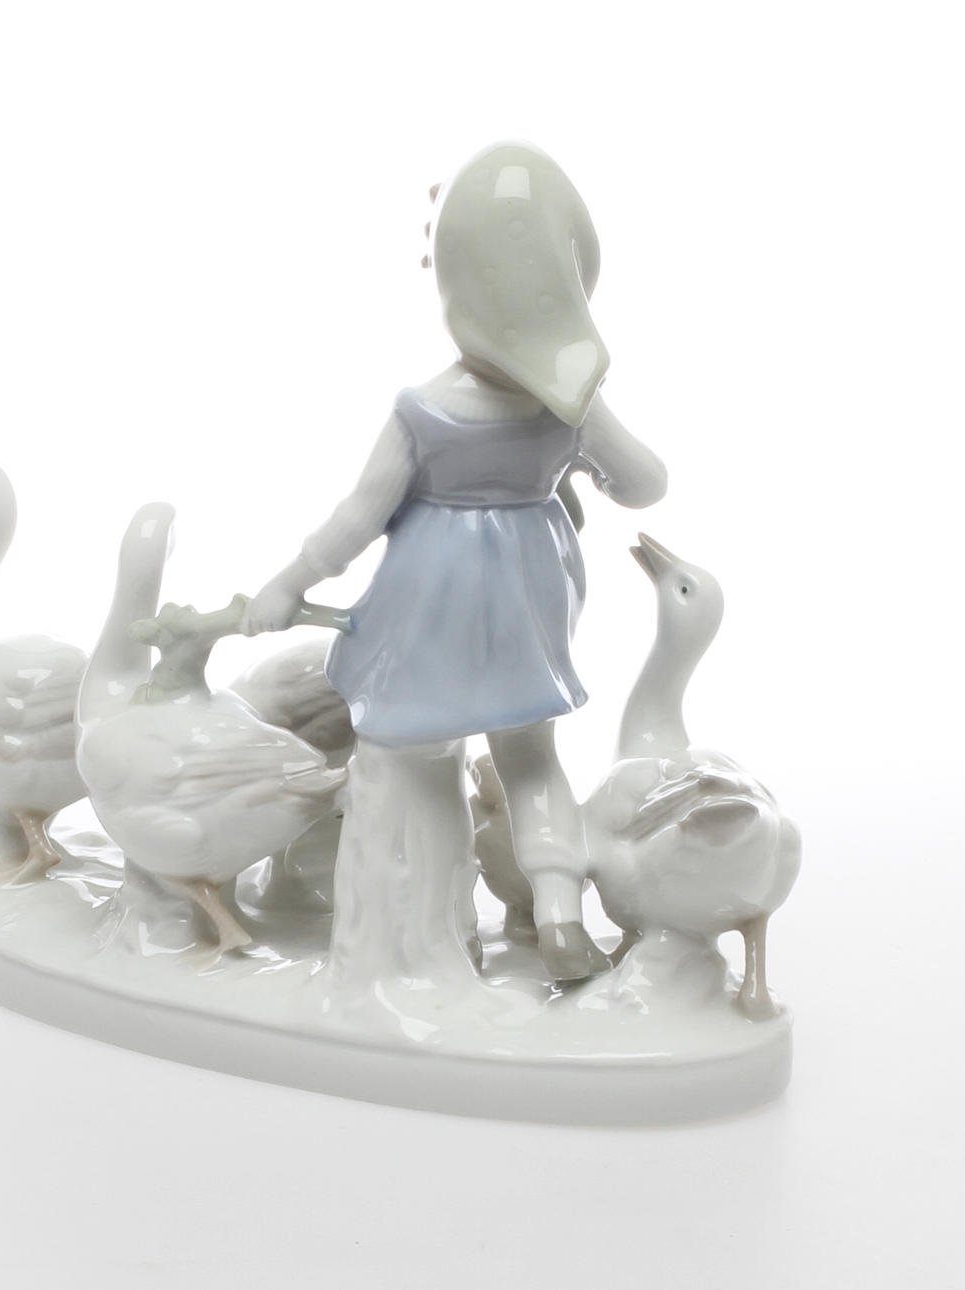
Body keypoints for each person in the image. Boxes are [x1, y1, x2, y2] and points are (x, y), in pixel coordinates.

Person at [243, 141, 666, 981]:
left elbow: (359, 517)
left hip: (431, 600)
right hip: (529, 595)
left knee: (406, 751)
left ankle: (409, 906)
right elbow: (646, 483)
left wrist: (290, 582)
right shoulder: (571, 406)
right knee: (531, 758)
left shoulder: (425, 410)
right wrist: (584, 461)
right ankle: (559, 914)